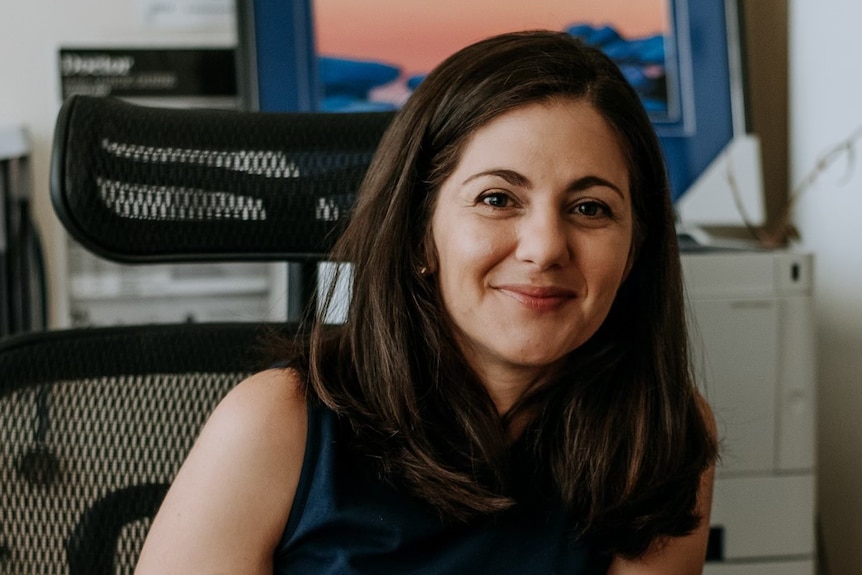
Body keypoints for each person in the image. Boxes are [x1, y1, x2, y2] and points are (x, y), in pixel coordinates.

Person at [134, 29, 718, 574]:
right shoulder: (276, 423)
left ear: (635, 248)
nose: (544, 249)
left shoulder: (659, 433)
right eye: (496, 198)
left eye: (590, 208)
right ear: (419, 233)